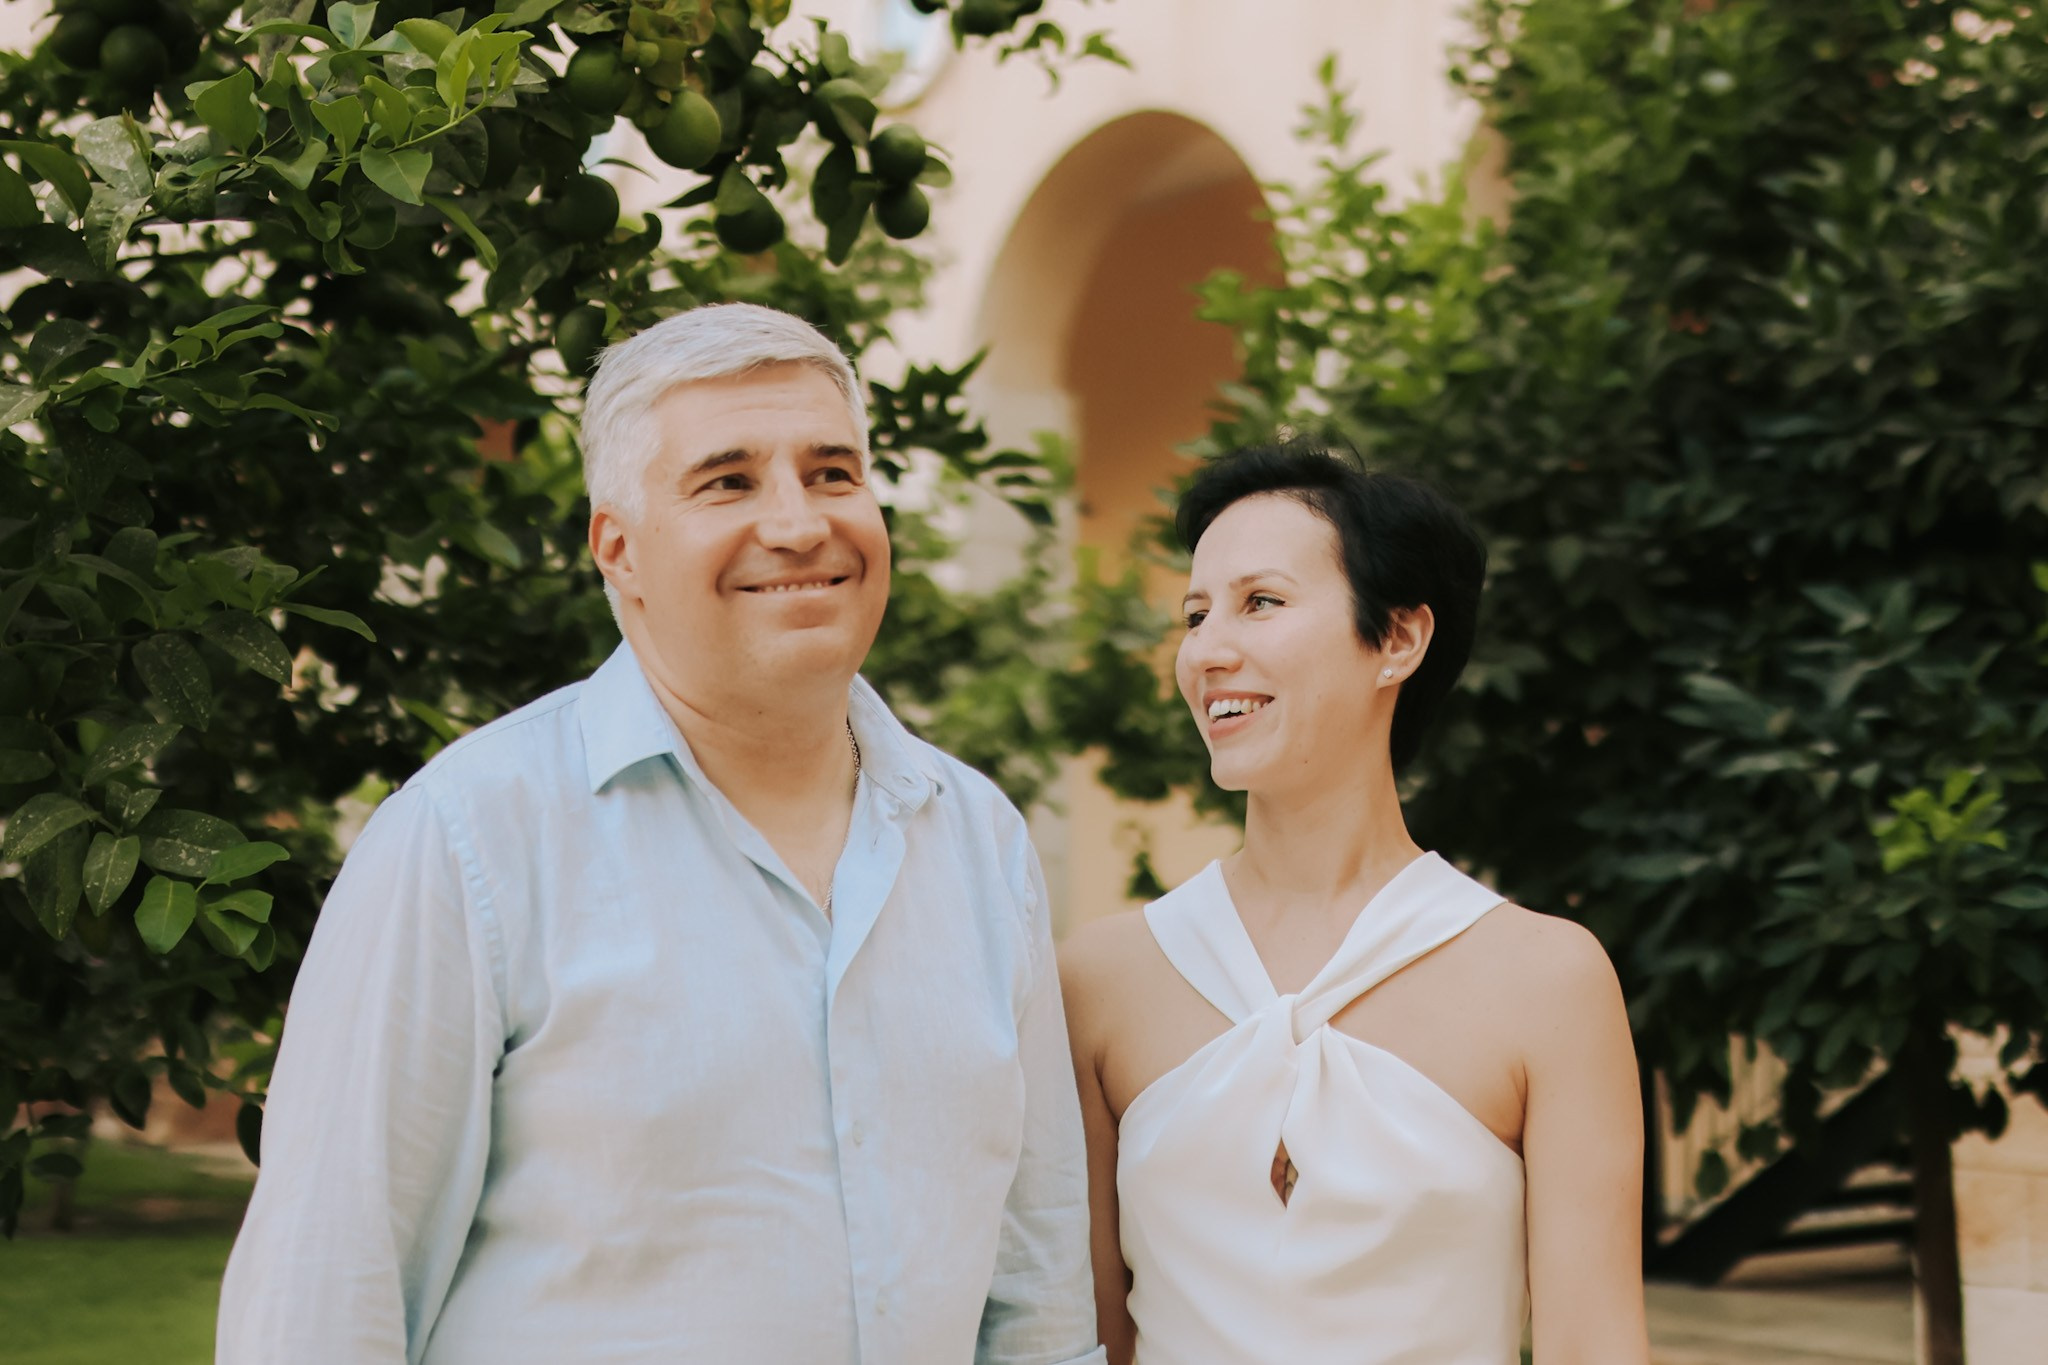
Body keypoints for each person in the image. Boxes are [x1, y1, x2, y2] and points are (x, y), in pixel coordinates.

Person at [217, 303, 1104, 1365]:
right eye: (727, 482)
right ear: (618, 549)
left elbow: (1036, 1290)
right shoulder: (464, 842)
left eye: (832, 473)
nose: (798, 522)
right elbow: (322, 1302)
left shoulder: (980, 843)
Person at [1059, 444, 1648, 1364]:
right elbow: (1086, 1336)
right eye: (1196, 613)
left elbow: (1594, 1344)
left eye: (1262, 602)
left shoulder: (1549, 979)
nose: (1210, 650)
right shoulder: (1101, 978)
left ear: (1399, 640)